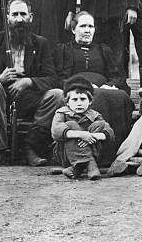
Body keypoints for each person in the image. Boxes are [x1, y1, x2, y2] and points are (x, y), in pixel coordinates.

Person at [0, 0, 63, 167]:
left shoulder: (41, 43)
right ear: (7, 17)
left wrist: (28, 81)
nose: (19, 19)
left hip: (30, 98)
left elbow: (52, 78)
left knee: (57, 95)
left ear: (31, 17)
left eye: (23, 14)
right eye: (15, 14)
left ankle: (31, 147)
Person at [54, 11, 135, 165]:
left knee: (121, 97)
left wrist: (110, 85)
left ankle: (115, 153)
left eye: (90, 26)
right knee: (95, 96)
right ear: (73, 30)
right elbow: (60, 78)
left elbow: (118, 75)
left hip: (104, 89)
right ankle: (88, 155)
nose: (87, 30)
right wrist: (83, 86)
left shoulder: (104, 49)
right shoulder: (64, 50)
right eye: (83, 26)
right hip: (77, 91)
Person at [51, 75, 114, 180]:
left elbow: (110, 133)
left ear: (89, 101)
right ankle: (90, 165)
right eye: (75, 99)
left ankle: (77, 168)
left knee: (100, 124)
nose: (79, 103)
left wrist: (91, 136)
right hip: (66, 155)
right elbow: (56, 131)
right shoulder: (62, 113)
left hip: (93, 151)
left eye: (83, 99)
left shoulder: (94, 114)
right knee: (72, 125)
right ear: (67, 102)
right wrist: (81, 134)